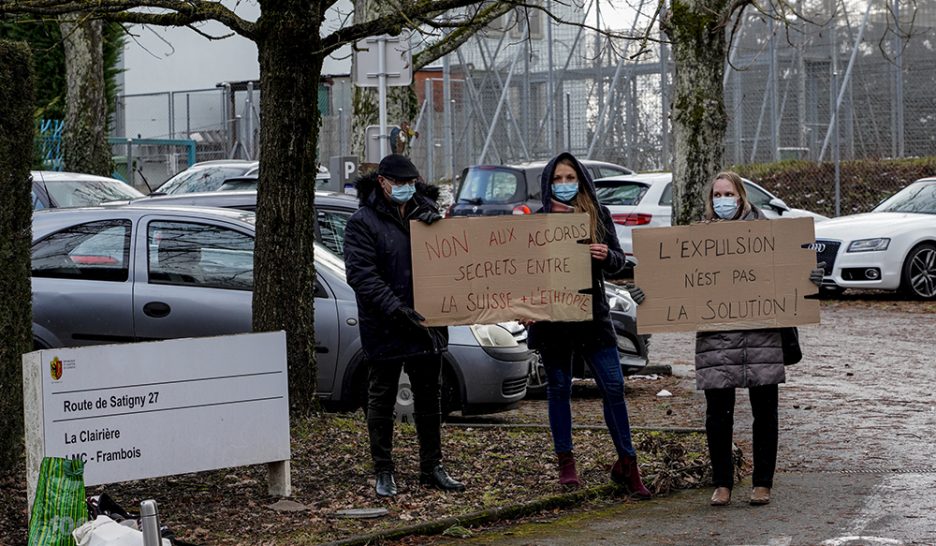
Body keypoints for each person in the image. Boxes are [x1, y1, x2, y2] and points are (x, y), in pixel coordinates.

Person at [526, 152, 651, 499]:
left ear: (581, 180)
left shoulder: (598, 214)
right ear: (548, 182)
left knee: (613, 386)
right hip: (553, 320)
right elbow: (524, 272)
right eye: (558, 179)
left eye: (570, 178)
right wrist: (525, 306)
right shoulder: (538, 222)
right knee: (559, 388)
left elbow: (619, 261)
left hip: (593, 317)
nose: (564, 184)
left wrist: (606, 255)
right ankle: (566, 463)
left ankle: (628, 463)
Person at [697, 171, 824, 507]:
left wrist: (810, 277)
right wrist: (647, 295)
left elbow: (792, 273)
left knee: (765, 411)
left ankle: (762, 483)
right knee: (717, 414)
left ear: (742, 196)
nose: (722, 201)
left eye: (728, 194)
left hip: (762, 335)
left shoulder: (770, 234)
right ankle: (722, 483)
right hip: (717, 337)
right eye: (717, 195)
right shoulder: (697, 240)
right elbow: (679, 284)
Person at [343, 154, 465, 498]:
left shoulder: (426, 217)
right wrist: (396, 309)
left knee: (429, 397)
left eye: (412, 183)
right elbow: (362, 276)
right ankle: (384, 470)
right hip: (385, 325)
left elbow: (448, 262)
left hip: (426, 323)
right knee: (381, 398)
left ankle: (432, 467)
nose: (406, 189)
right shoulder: (362, 223)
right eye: (400, 183)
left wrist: (436, 226)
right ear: (382, 182)